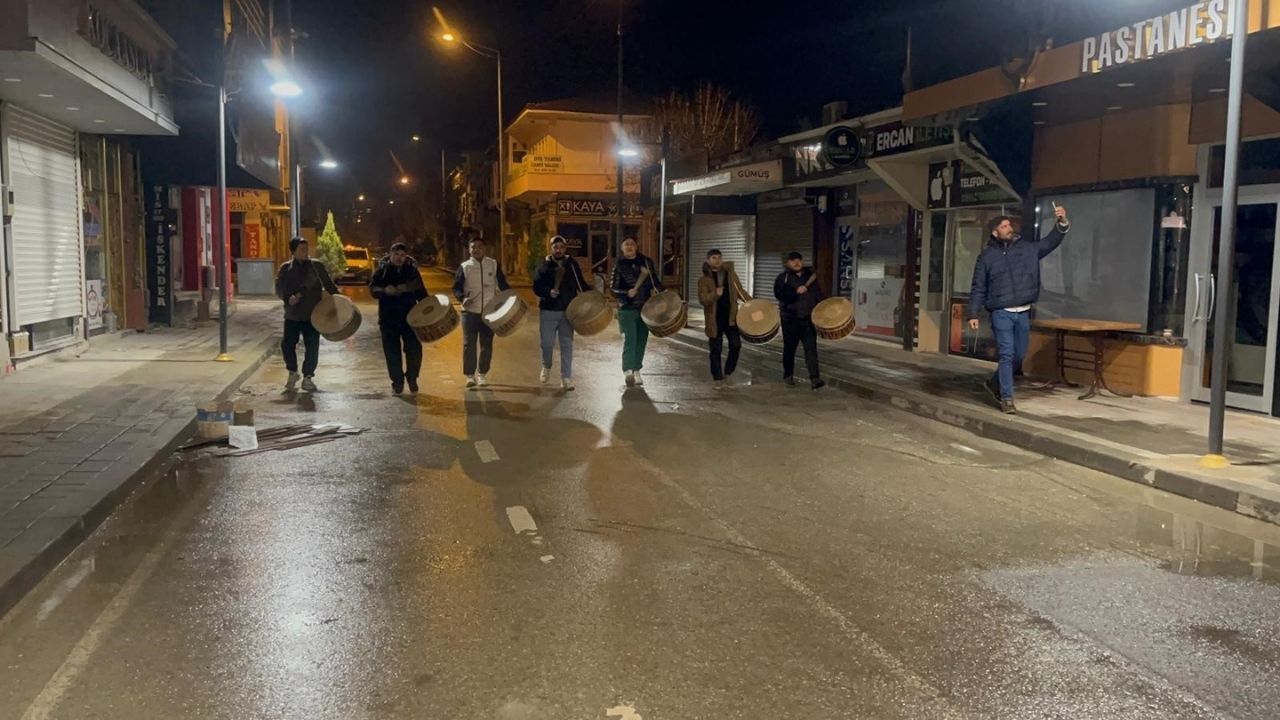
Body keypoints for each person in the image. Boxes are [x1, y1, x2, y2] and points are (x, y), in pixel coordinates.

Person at [967, 205, 1070, 414]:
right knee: (1006, 354)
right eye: (1004, 226)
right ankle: (1007, 398)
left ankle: (994, 383)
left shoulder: (1026, 249)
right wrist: (973, 313)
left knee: (1018, 355)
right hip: (1001, 312)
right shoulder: (986, 257)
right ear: (995, 232)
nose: (1009, 228)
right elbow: (979, 286)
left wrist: (1062, 223)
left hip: (1022, 311)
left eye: (1009, 225)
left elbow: (1049, 243)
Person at [275, 237, 338, 392]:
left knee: (312, 346)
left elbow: (329, 285)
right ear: (293, 251)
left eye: (306, 248)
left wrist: (340, 299)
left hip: (313, 314)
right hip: (292, 314)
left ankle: (308, 376)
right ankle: (292, 371)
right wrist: (287, 297)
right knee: (288, 344)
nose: (305, 252)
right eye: (301, 249)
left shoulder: (316, 266)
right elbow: (279, 287)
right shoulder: (286, 268)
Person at [370, 242, 428, 395]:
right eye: (396, 254)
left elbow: (422, 293)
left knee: (414, 349)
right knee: (391, 351)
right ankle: (397, 381)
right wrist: (384, 290)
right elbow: (373, 289)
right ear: (390, 255)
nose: (399, 258)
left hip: (411, 319)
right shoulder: (381, 271)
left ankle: (412, 378)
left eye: (402, 255)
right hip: (388, 319)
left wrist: (429, 311)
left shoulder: (412, 272)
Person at [453, 238, 510, 389]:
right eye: (473, 247)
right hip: (469, 313)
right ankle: (470, 376)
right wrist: (462, 298)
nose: (476, 250)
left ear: (484, 248)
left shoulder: (493, 264)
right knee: (468, 345)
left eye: (479, 247)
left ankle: (482, 374)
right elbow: (456, 288)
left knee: (487, 345)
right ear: (469, 250)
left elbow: (503, 284)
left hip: (489, 312)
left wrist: (510, 300)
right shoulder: (464, 267)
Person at [532, 236, 587, 390]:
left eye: (561, 247)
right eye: (556, 247)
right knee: (547, 344)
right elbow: (536, 287)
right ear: (551, 248)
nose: (559, 250)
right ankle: (546, 365)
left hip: (568, 311)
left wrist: (591, 294)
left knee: (567, 345)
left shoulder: (572, 265)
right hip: (548, 310)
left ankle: (566, 377)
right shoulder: (543, 266)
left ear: (565, 248)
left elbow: (580, 283)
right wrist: (548, 292)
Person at [610, 236, 662, 387]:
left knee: (641, 340)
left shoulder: (646, 262)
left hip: (646, 308)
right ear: (622, 248)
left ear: (636, 247)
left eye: (632, 244)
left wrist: (665, 294)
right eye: (626, 244)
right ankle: (628, 371)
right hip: (627, 308)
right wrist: (626, 292)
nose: (629, 246)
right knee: (630, 339)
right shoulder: (619, 265)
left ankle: (637, 370)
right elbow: (613, 288)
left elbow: (655, 282)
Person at [697, 249, 751, 388]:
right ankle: (717, 378)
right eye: (714, 258)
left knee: (736, 345)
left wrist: (753, 303)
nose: (717, 260)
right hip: (714, 319)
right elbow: (703, 300)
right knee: (716, 350)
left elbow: (740, 291)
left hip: (731, 317)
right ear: (708, 260)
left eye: (719, 257)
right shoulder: (704, 280)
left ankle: (728, 371)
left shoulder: (730, 275)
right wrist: (715, 294)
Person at [774, 252, 826, 390]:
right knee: (790, 349)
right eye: (793, 261)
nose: (796, 263)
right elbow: (780, 295)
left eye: (798, 260)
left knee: (811, 349)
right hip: (790, 319)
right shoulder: (783, 278)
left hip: (808, 319)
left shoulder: (811, 277)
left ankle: (815, 378)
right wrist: (795, 292)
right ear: (787, 263)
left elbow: (818, 295)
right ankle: (788, 375)